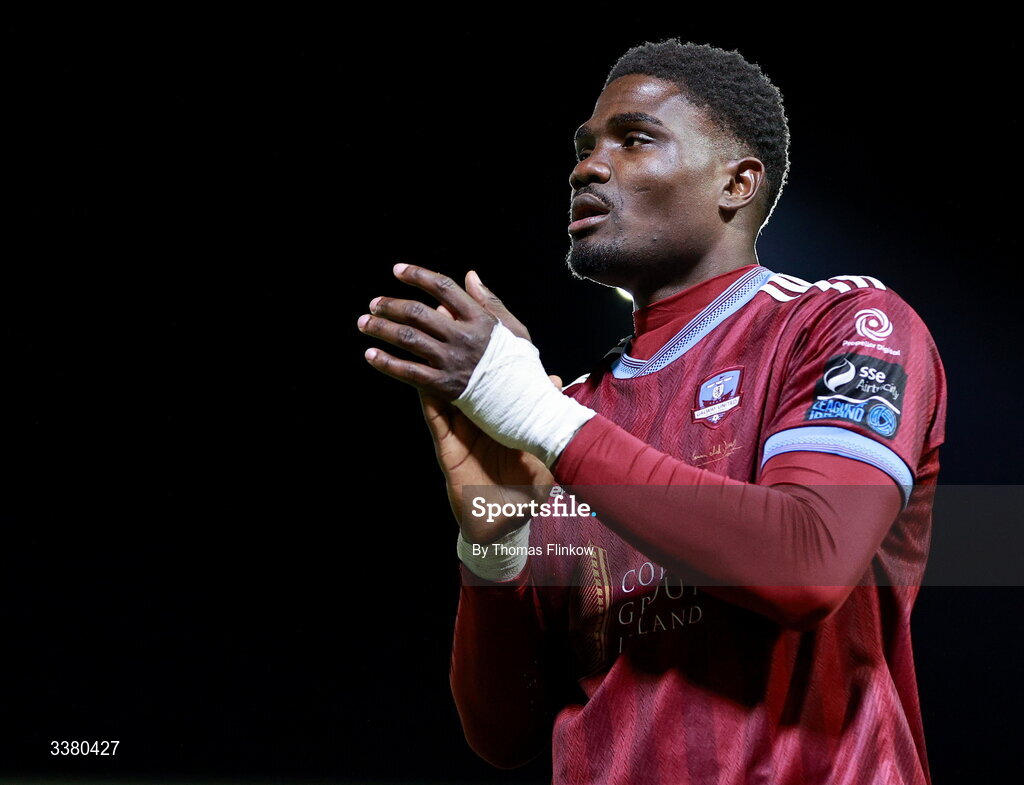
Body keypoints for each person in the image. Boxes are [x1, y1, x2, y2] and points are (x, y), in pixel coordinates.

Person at [357, 39, 946, 785]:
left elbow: (810, 562)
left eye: (634, 139)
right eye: (585, 147)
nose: (588, 166)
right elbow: (503, 732)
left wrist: (541, 416)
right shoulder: (568, 420)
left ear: (737, 182)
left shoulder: (844, 324)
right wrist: (494, 547)